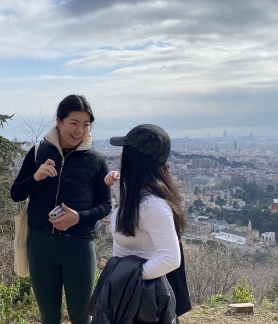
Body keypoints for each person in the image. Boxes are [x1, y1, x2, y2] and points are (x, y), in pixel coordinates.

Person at [11, 94, 111, 324]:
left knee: (81, 316)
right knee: (49, 316)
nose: (80, 131)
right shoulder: (38, 152)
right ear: (59, 122)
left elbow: (106, 205)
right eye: (74, 123)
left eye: (86, 125)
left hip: (79, 245)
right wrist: (35, 177)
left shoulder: (96, 159)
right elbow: (16, 193)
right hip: (41, 245)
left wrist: (79, 218)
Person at [103, 124, 188, 322]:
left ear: (135, 159)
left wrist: (130, 276)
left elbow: (171, 259)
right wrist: (116, 181)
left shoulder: (154, 206)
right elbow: (134, 216)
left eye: (125, 151)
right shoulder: (141, 194)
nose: (120, 157)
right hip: (128, 291)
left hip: (140, 298)